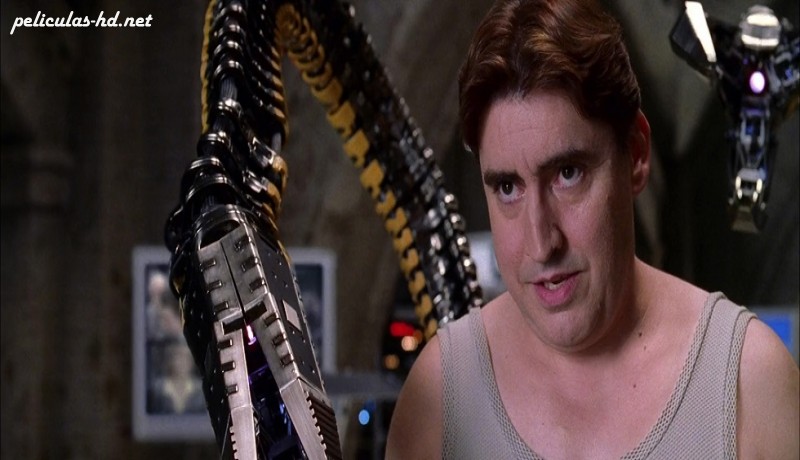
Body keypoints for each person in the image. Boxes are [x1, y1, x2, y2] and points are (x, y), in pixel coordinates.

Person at [385, 0, 799, 458]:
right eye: (507, 187)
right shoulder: (438, 399)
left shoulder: (748, 384)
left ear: (636, 154)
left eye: (568, 174)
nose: (542, 243)